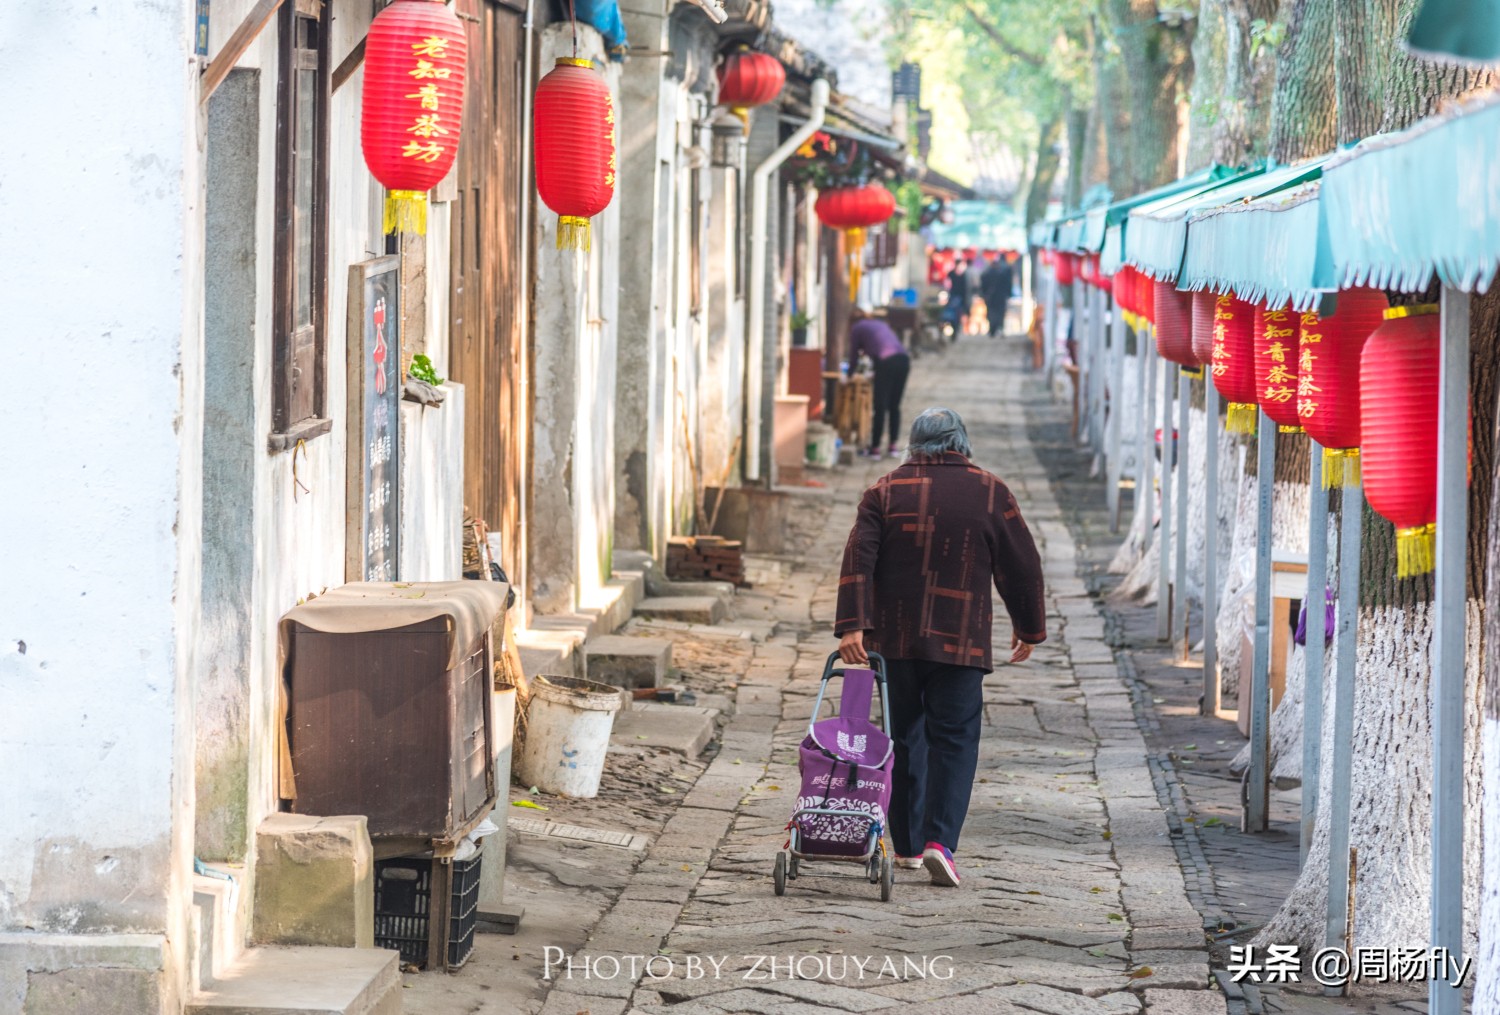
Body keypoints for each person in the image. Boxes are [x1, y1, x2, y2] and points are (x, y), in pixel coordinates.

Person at [834, 408, 1046, 887]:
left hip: (893, 641)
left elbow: (858, 560)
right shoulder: (991, 492)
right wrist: (1028, 625)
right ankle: (940, 844)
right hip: (961, 641)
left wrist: (853, 626)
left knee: (901, 737)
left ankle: (906, 846)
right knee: (954, 740)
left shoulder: (883, 492)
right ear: (962, 443)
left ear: (912, 444)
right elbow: (1023, 565)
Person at [848, 308, 911, 460]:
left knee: (880, 406)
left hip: (885, 361)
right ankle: (892, 447)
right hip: (903, 360)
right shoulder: (879, 324)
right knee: (894, 406)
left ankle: (875, 448)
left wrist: (849, 375)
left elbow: (853, 356)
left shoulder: (856, 328)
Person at [980, 255, 1014, 337]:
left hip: (991, 297)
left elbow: (983, 285)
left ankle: (993, 328)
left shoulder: (987, 273)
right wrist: (1008, 294)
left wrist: (984, 294)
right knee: (999, 313)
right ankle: (998, 327)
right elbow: (1007, 285)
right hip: (1000, 297)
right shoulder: (1003, 273)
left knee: (991, 312)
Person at [946, 258, 972, 336]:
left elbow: (965, 288)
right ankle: (954, 328)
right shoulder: (952, 274)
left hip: (959, 297)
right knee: (953, 314)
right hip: (954, 296)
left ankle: (956, 328)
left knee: (958, 314)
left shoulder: (962, 275)